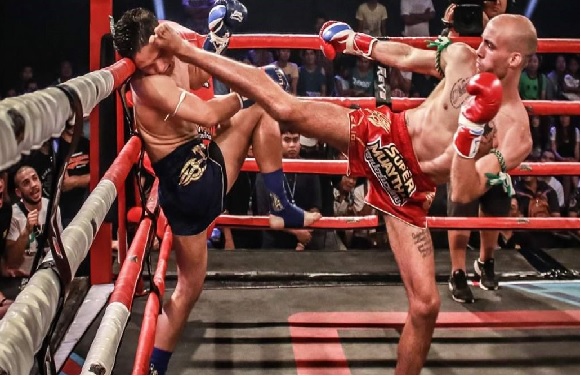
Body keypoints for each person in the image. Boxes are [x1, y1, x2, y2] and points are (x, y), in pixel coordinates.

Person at [148, 12, 536, 374]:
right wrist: (355, 41)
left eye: (490, 45)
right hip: (385, 135)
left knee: (426, 306)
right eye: (482, 41)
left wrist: (468, 135)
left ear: (515, 59)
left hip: (410, 187)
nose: (480, 48)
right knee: (284, 108)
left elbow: (464, 193)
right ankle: (189, 51)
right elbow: (404, 54)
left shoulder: (516, 130)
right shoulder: (463, 58)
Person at [112, 5, 320, 374]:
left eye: (159, 55)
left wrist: (213, 41)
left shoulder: (169, 47)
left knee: (189, 288)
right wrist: (252, 88)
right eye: (146, 64)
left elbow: (193, 74)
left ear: (162, 35)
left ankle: (154, 365)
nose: (158, 66)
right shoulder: (148, 84)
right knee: (263, 108)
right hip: (195, 184)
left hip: (186, 188)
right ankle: (280, 204)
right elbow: (209, 114)